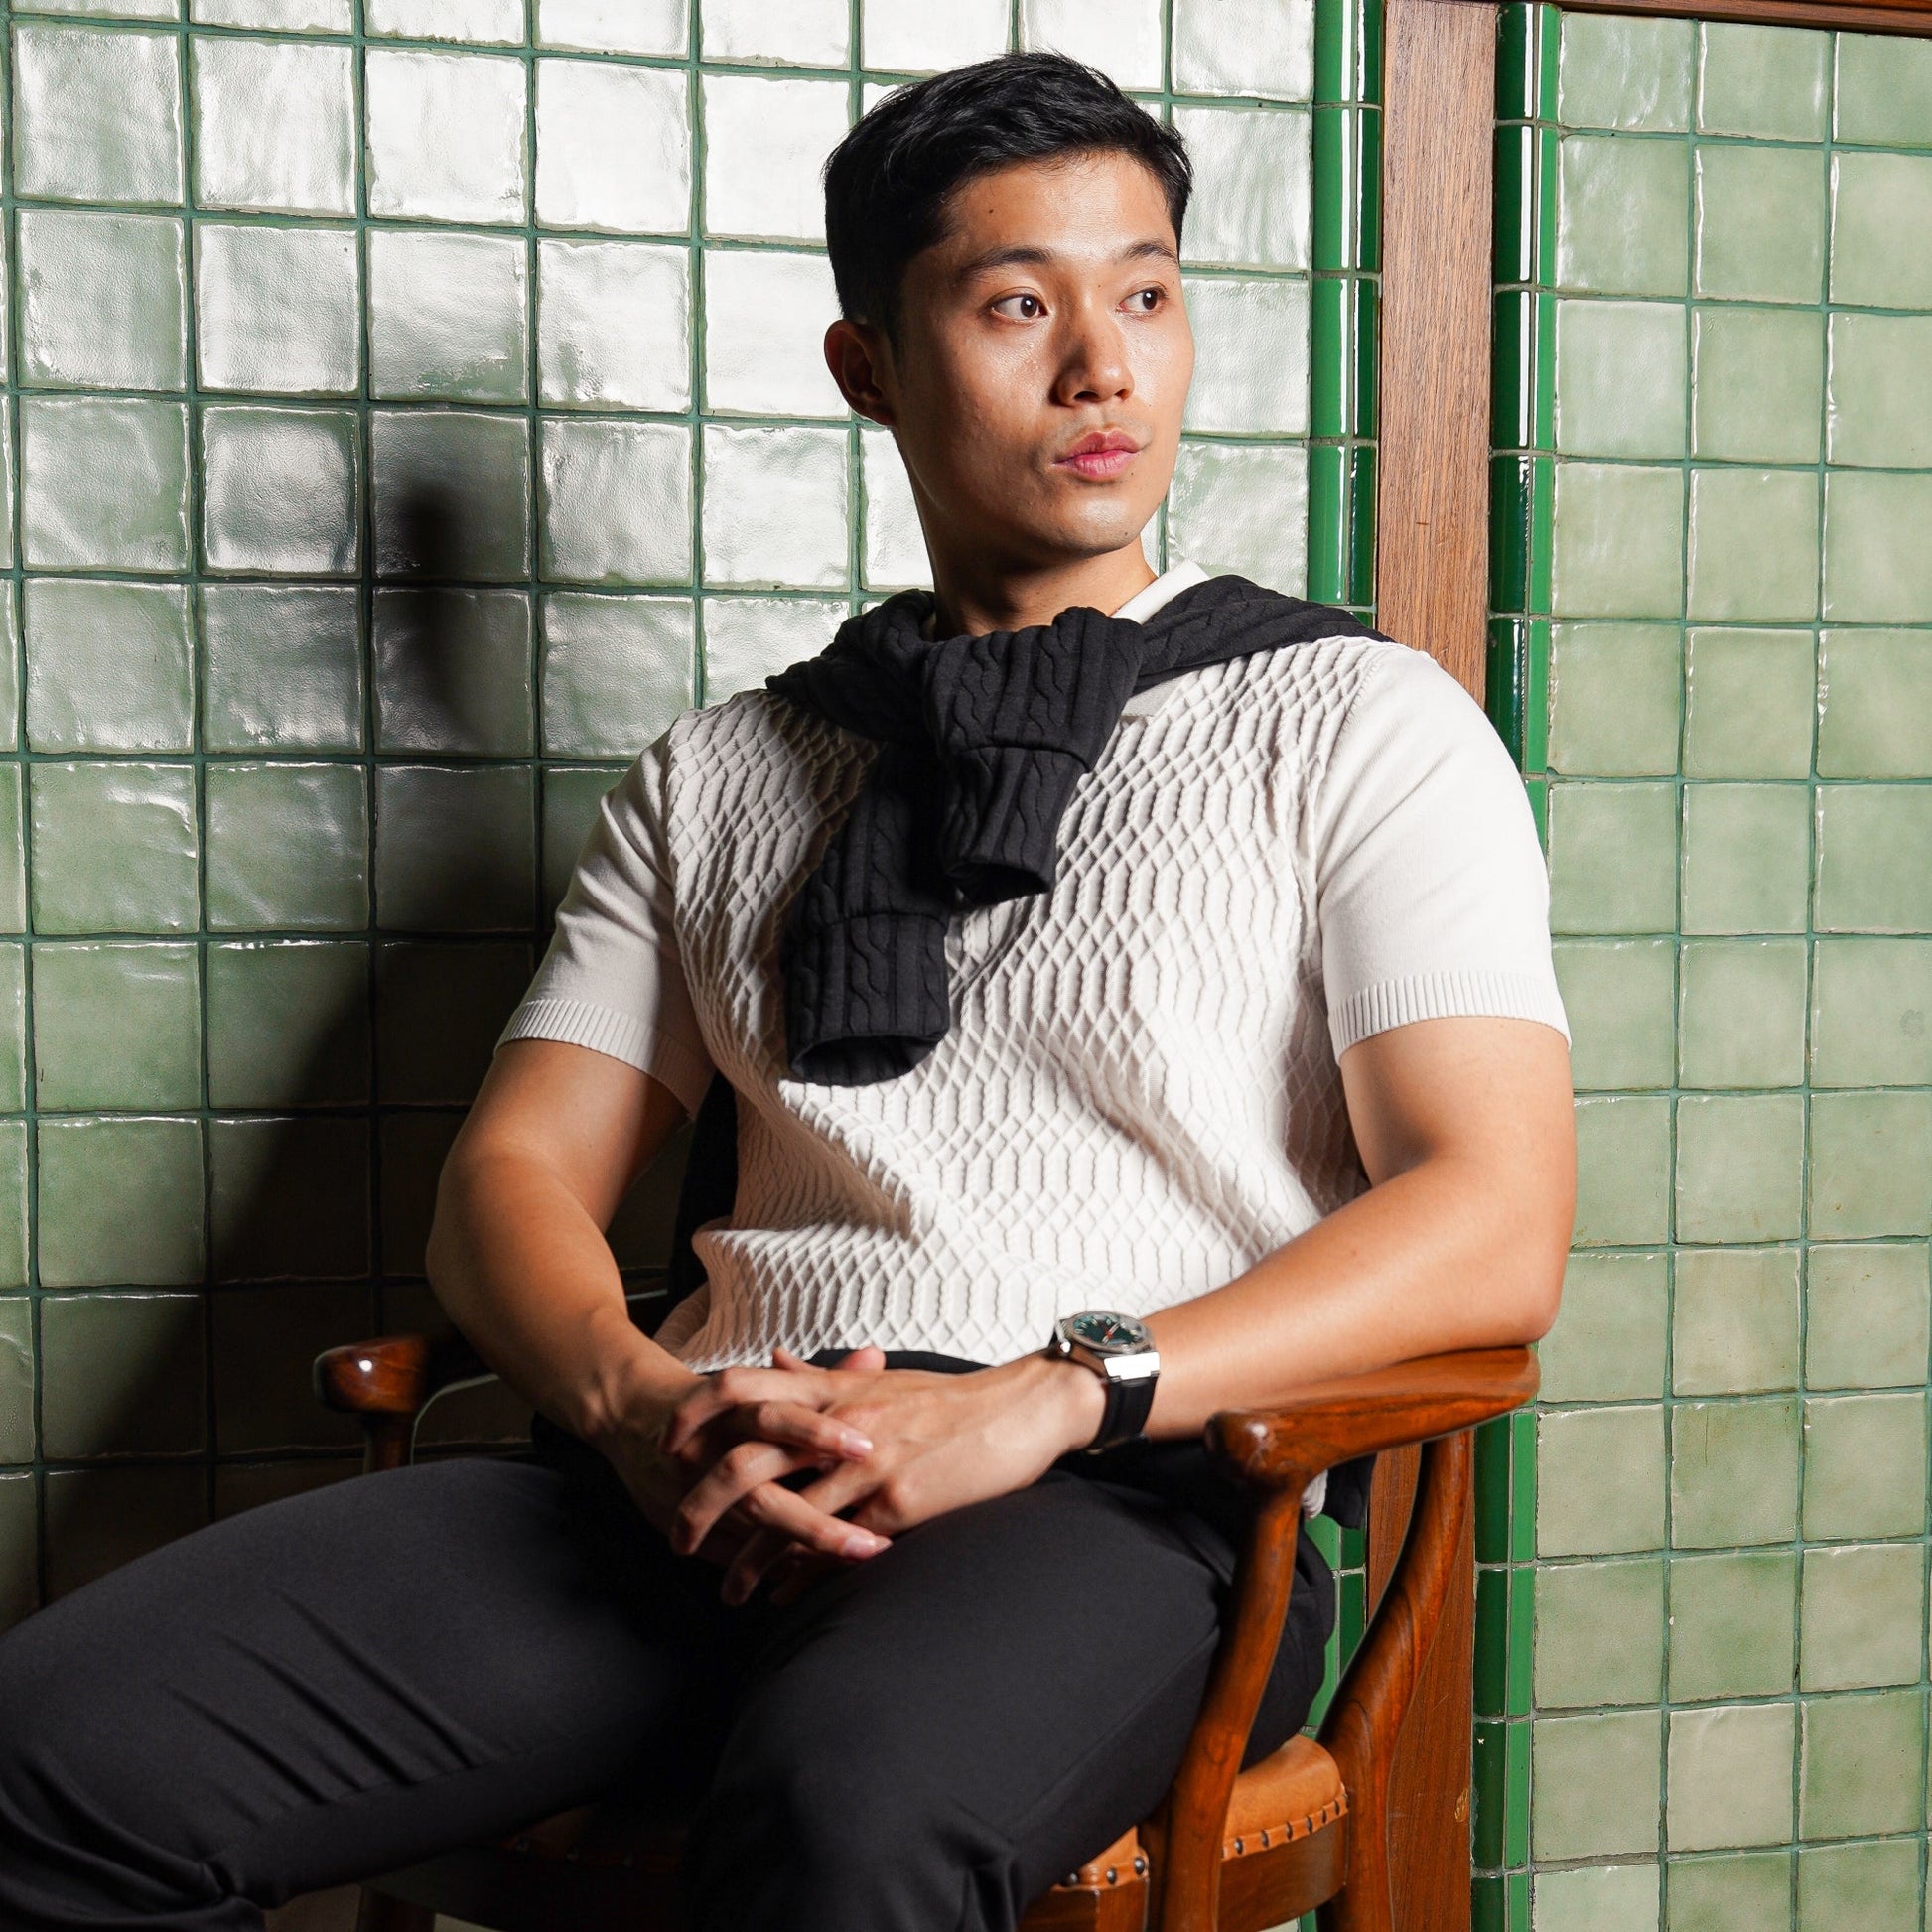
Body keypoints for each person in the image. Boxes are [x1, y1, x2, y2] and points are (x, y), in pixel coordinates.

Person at [0, 50, 1575, 1932]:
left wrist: (1048, 1394)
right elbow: (508, 1177)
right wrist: (637, 1403)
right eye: (1017, 305)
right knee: (51, 1753)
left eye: (1146, 294)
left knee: (849, 1810)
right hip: (700, 1462)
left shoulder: (1356, 723)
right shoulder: (721, 770)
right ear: (867, 366)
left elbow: (1492, 1221)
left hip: (1111, 1489)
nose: (1104, 367)